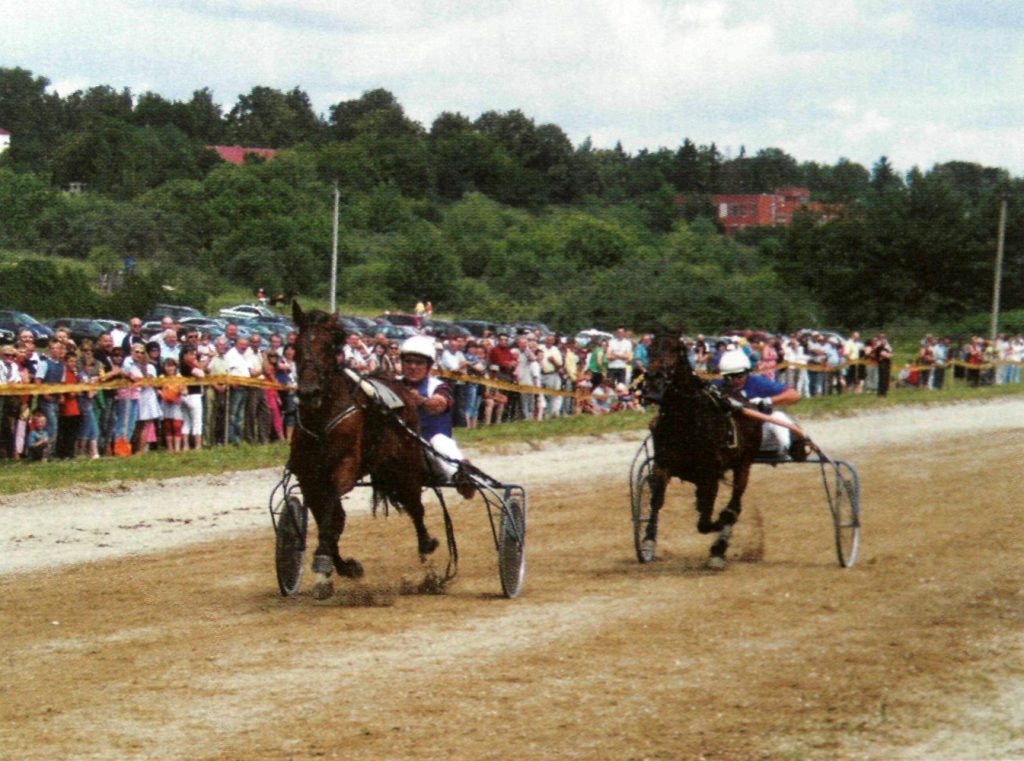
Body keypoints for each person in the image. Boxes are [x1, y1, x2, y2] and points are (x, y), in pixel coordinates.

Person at [398, 335, 474, 499]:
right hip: (398, 448)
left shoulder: (438, 386)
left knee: (439, 441)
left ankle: (461, 476)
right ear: (401, 363)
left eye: (419, 363)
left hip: (429, 450)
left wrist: (421, 401)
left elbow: (439, 405)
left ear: (428, 366)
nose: (412, 366)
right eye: (408, 361)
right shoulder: (392, 384)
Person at [717, 348, 807, 461]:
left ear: (747, 372)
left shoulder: (757, 382)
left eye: (740, 375)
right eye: (730, 377)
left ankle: (785, 449)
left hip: (760, 434)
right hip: (734, 436)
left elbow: (795, 395)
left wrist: (767, 401)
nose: (736, 380)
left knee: (778, 416)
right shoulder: (718, 387)